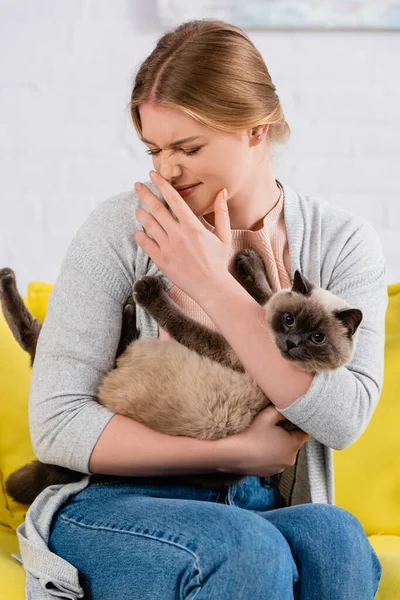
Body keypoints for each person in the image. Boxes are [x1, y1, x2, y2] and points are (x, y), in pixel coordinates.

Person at [14, 19, 386, 600]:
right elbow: (56, 425)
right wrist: (232, 451)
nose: (166, 170)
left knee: (335, 537)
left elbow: (342, 420)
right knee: (242, 546)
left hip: (256, 504)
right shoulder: (119, 230)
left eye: (189, 148)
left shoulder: (341, 242)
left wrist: (216, 286)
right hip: (115, 504)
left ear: (257, 131)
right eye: (155, 149)